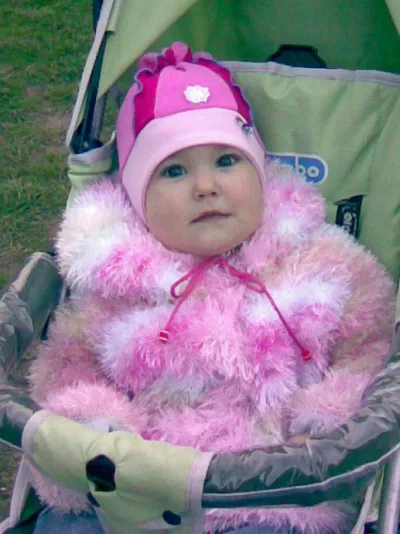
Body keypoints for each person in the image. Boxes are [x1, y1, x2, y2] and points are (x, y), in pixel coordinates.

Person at [28, 42, 395, 534]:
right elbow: (68, 370)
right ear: (137, 197)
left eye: (226, 160)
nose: (205, 186)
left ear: (260, 172)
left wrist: (332, 413)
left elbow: (371, 347)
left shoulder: (320, 263)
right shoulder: (117, 283)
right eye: (174, 170)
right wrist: (96, 425)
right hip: (141, 490)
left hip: (275, 489)